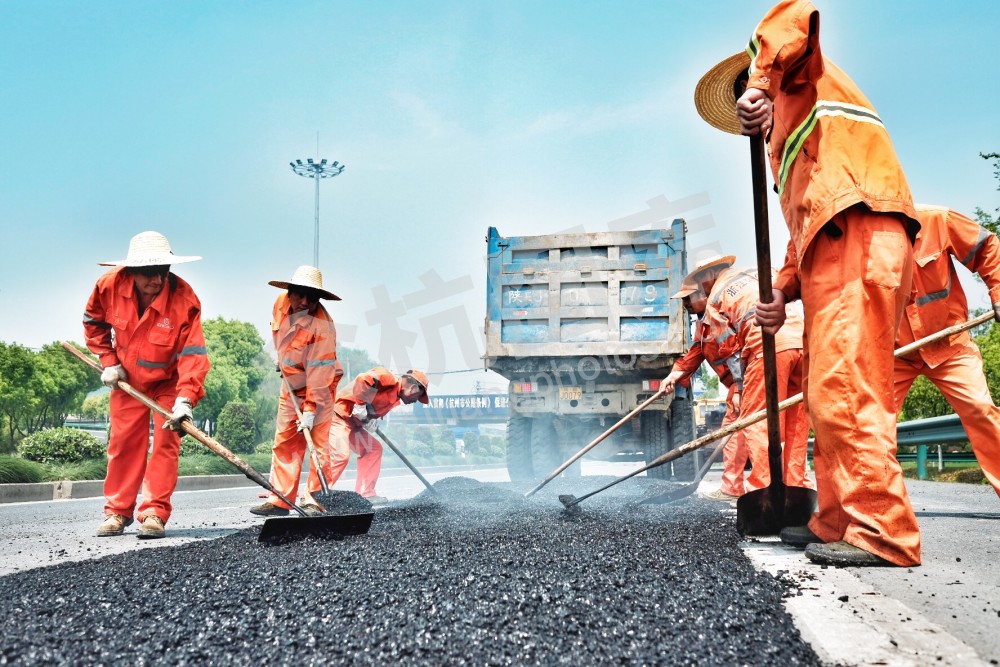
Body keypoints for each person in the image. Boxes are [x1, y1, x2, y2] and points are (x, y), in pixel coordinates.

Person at [695, 0, 922, 566]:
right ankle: (835, 519)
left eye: (749, 97)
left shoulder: (803, 81)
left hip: (861, 239)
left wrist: (764, 81)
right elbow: (805, 228)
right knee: (826, 394)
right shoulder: (788, 148)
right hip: (830, 250)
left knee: (847, 388)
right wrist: (782, 292)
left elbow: (793, 16)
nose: (749, 112)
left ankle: (882, 532)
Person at [83, 231, 210, 539]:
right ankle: (117, 511)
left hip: (169, 382)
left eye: (162, 271)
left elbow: (193, 353)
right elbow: (93, 323)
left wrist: (184, 400)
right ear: (131, 271)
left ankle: (154, 511)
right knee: (124, 443)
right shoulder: (108, 286)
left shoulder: (185, 299)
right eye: (148, 273)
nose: (156, 279)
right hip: (127, 379)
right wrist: (109, 361)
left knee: (167, 442)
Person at [894, 206, 1000, 497]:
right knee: (870, 424)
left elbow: (988, 246)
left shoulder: (937, 220)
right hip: (896, 354)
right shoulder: (865, 242)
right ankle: (869, 512)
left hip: (950, 344)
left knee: (980, 410)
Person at [694, 260, 811, 495]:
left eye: (700, 282)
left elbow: (730, 349)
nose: (701, 289)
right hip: (803, 342)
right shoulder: (763, 271)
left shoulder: (716, 296)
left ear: (710, 276)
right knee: (796, 422)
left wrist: (739, 388)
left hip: (768, 347)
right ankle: (796, 489)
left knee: (758, 421)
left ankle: (764, 490)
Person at [251, 266, 344, 517]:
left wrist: (311, 410)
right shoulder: (281, 303)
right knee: (285, 441)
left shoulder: (322, 328)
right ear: (290, 292)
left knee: (318, 444)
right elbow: (280, 332)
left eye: (311, 297)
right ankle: (280, 500)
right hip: (291, 383)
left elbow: (319, 375)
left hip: (321, 386)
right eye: (300, 294)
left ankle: (315, 500)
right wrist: (281, 356)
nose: (304, 302)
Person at [661, 255, 750, 503]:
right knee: (738, 432)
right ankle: (738, 488)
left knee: (738, 431)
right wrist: (673, 376)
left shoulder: (718, 310)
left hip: (749, 376)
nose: (686, 305)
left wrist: (741, 389)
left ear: (703, 293)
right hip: (745, 378)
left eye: (689, 299)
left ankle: (737, 490)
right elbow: (694, 354)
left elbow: (735, 354)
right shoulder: (703, 327)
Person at [326, 368, 430, 501]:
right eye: (418, 397)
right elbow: (363, 379)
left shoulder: (395, 396)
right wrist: (360, 406)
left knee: (373, 449)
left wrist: (370, 419)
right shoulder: (389, 379)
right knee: (340, 456)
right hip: (338, 415)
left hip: (352, 424)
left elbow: (370, 405)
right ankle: (316, 494)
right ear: (414, 388)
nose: (416, 401)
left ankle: (365, 494)